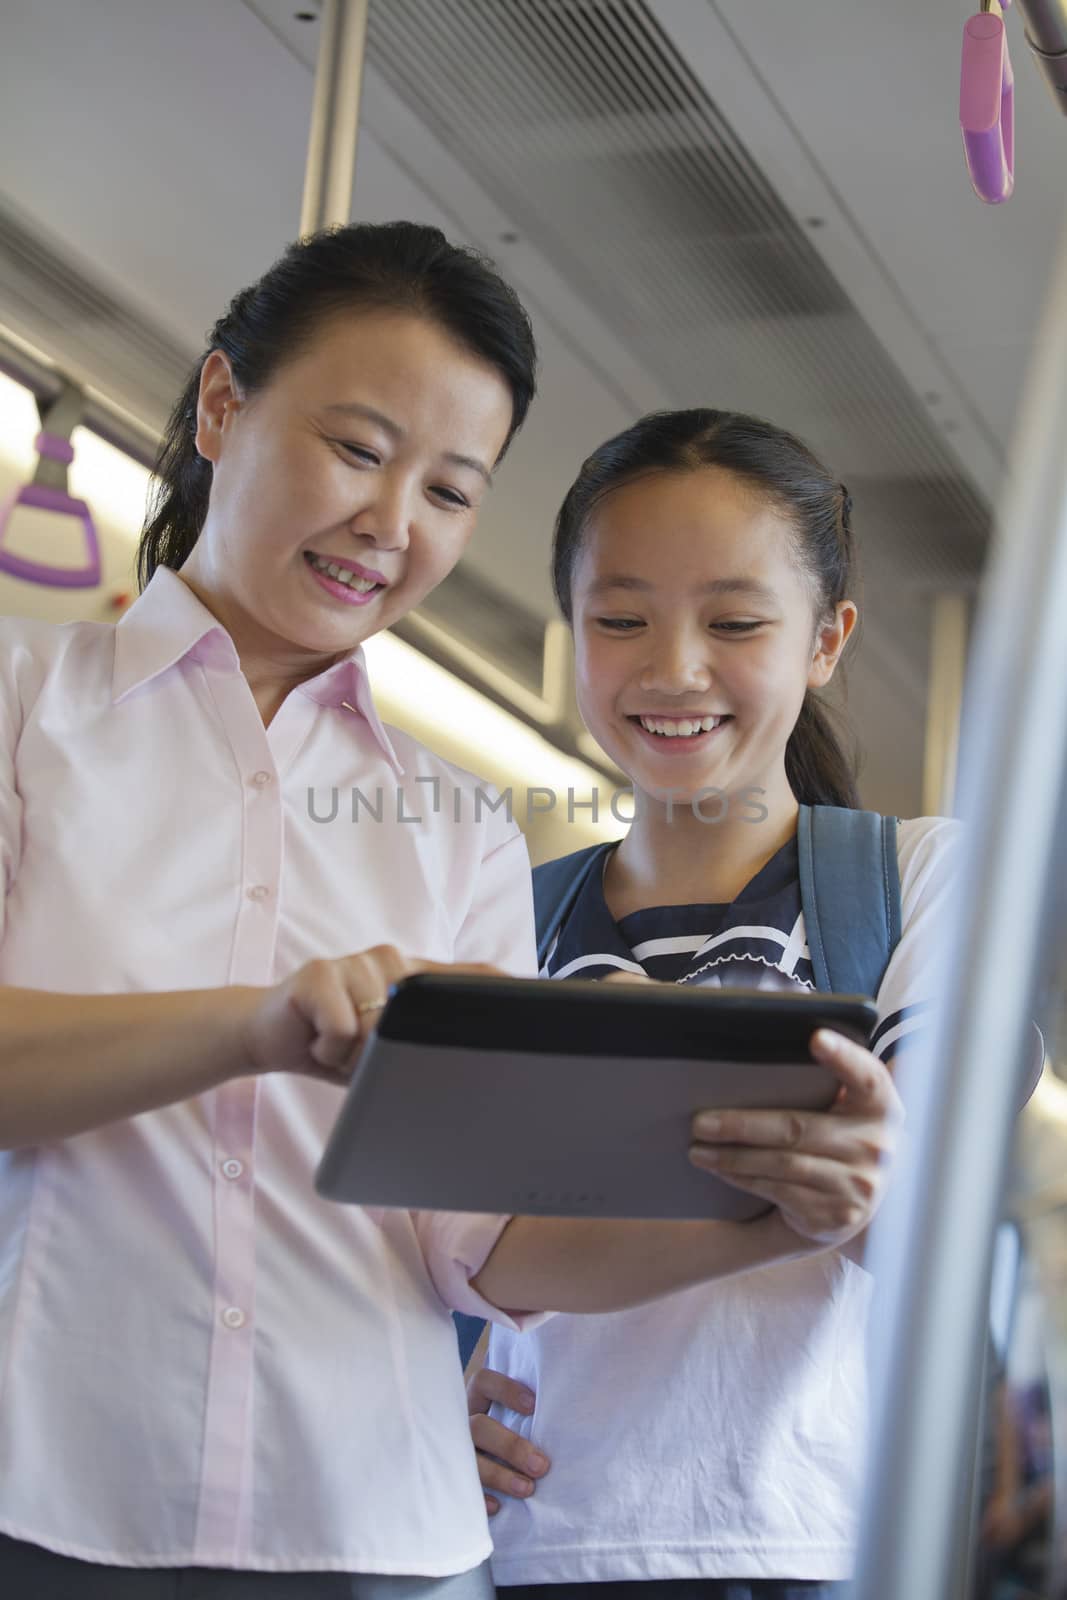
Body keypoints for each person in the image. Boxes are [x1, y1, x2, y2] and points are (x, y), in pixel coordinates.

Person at [0, 239, 898, 1599]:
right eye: (358, 449)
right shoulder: (26, 715)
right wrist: (253, 1028)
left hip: (370, 1533)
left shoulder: (460, 824)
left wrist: (783, 1219)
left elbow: (480, 1243)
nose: (390, 522)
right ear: (222, 408)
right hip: (47, 1488)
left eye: (449, 491)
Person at [467, 409, 961, 1600]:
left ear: (826, 638)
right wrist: (422, 1393)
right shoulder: (497, 914)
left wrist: (869, 1196)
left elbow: (940, 1230)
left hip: (808, 1542)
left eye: (734, 622)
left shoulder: (915, 880)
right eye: (619, 619)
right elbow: (431, 1244)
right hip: (532, 1543)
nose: (672, 668)